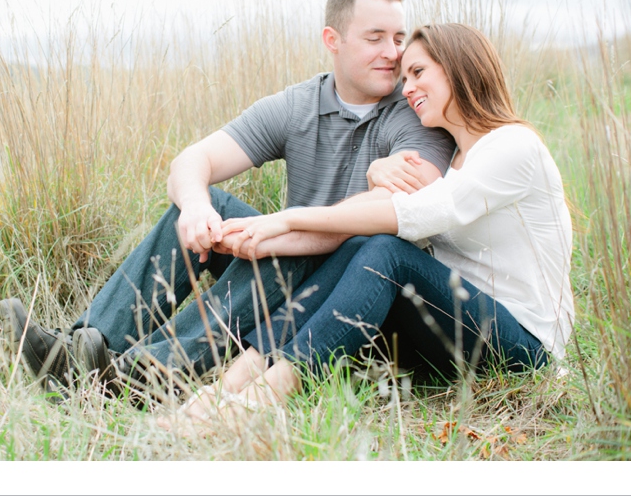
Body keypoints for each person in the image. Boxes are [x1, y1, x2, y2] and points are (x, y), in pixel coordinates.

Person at [0, 0, 455, 396]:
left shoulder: (416, 110)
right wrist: (197, 209)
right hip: (290, 275)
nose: (394, 53)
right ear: (332, 41)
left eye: (398, 38)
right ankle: (81, 350)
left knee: (304, 251)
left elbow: (390, 213)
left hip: (360, 308)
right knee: (201, 203)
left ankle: (142, 376)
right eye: (375, 38)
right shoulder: (299, 105)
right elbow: (192, 160)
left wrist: (279, 232)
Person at [167, 22, 574, 423]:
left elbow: (414, 215)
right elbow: (403, 209)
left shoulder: (514, 146)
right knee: (358, 248)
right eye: (404, 76)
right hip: (451, 334)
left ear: (458, 67)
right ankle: (224, 390)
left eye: (418, 72)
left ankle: (261, 398)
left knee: (385, 250)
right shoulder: (449, 163)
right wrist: (378, 169)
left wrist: (287, 219)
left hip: (523, 345)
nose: (407, 87)